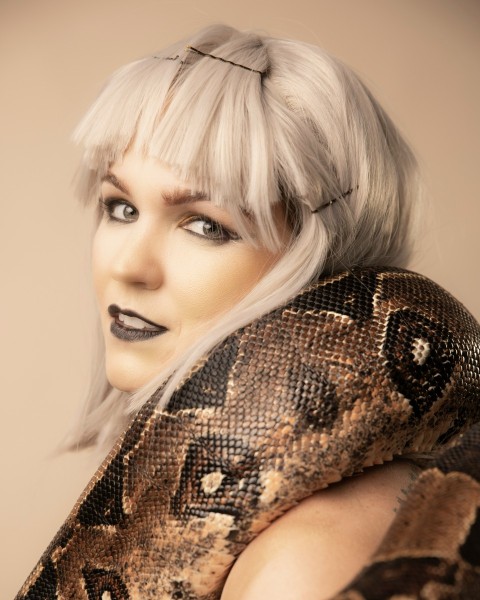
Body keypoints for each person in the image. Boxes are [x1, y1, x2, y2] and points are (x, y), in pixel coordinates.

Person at [67, 24, 424, 599]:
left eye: (207, 225)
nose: (129, 267)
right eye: (121, 207)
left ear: (322, 264)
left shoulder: (308, 560)